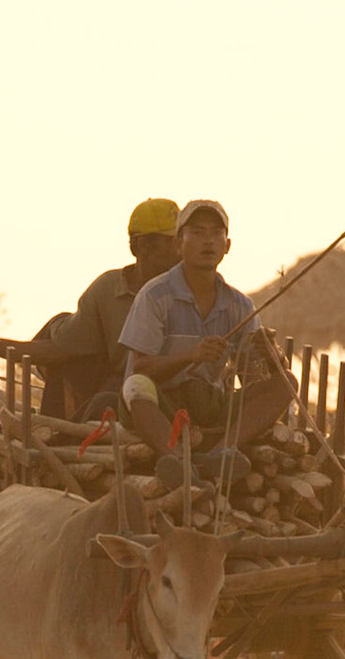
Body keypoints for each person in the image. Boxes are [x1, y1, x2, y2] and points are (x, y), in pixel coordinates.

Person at [117, 200, 293, 487]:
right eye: (197, 232)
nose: (208, 241)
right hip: (162, 403)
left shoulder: (239, 305)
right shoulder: (155, 295)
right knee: (135, 386)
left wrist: (271, 357)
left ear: (227, 245)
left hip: (209, 404)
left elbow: (250, 377)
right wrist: (191, 356)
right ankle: (175, 457)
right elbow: (141, 367)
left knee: (286, 383)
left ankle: (219, 453)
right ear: (179, 244)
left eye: (216, 233)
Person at [30, 198, 181, 420]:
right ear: (141, 246)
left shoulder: (194, 289)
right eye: (171, 241)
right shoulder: (109, 289)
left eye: (182, 239)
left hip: (178, 395)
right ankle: (61, 431)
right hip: (130, 394)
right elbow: (61, 350)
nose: (180, 248)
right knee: (75, 360)